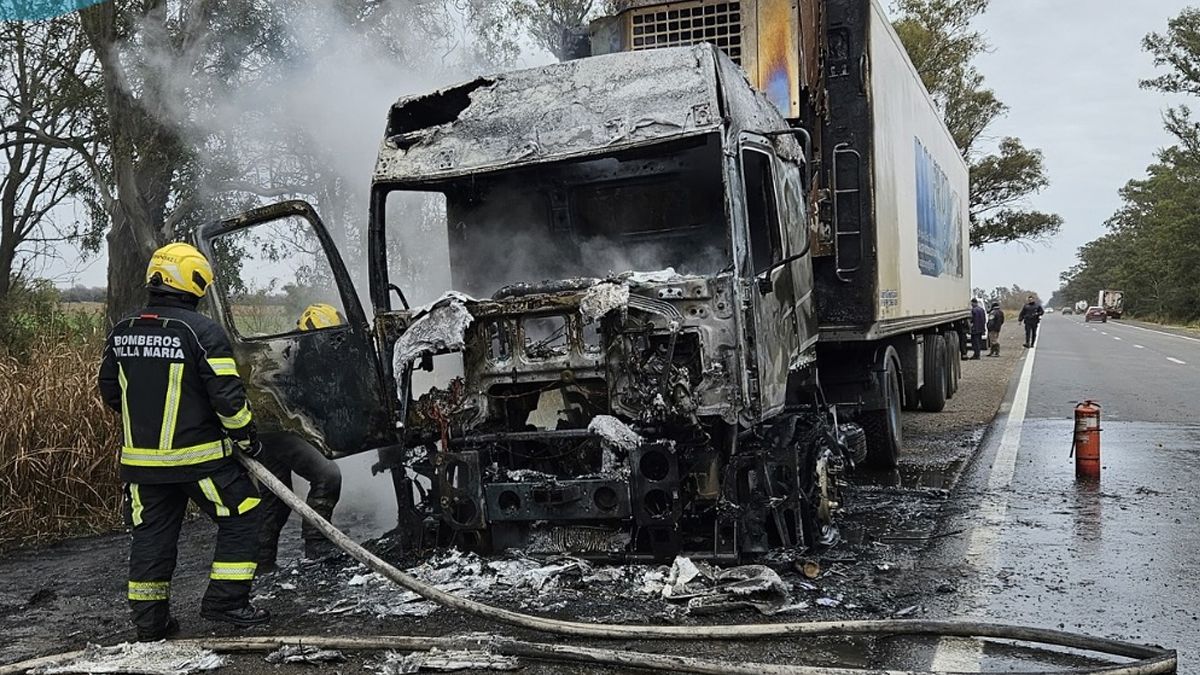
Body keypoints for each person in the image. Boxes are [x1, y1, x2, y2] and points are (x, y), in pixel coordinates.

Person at [98, 242, 270, 641]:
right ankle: (226, 601)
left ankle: (150, 625)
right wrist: (246, 438)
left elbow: (110, 391)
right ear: (193, 282)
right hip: (199, 460)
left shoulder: (122, 331)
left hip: (142, 466)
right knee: (244, 514)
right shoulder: (202, 332)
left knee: (151, 538)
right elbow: (228, 398)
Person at [256, 303, 345, 573]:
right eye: (328, 339)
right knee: (327, 475)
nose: (332, 346)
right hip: (275, 432)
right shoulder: (286, 358)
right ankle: (317, 546)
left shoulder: (305, 355)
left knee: (276, 500)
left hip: (274, 432)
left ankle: (262, 564)